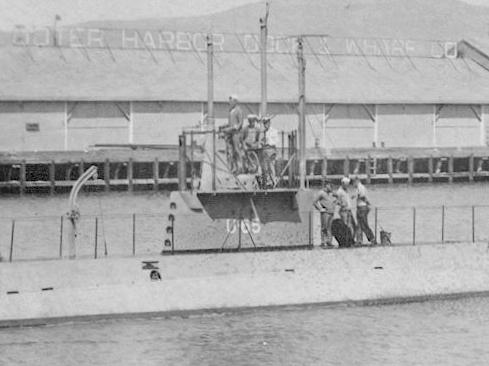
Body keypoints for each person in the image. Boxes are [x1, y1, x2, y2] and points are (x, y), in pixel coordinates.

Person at [352, 177, 376, 245]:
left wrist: (355, 196)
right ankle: (359, 240)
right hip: (359, 207)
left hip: (363, 207)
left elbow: (362, 196)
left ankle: (372, 238)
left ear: (356, 181)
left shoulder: (361, 187)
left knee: (364, 224)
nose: (353, 184)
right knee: (359, 225)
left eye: (353, 182)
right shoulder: (357, 188)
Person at [313, 181, 336, 248]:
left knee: (330, 228)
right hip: (325, 213)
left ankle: (329, 241)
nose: (331, 187)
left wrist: (335, 203)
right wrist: (320, 209)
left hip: (331, 212)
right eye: (330, 185)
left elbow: (337, 197)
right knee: (324, 227)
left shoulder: (331, 193)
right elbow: (314, 201)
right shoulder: (321, 193)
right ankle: (323, 242)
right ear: (326, 185)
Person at [226, 95, 244, 173]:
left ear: (235, 101)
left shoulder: (239, 110)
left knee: (237, 150)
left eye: (231, 101)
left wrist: (233, 128)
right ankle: (232, 167)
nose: (230, 102)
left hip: (236, 134)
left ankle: (240, 167)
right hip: (230, 133)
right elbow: (230, 123)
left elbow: (240, 123)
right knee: (230, 151)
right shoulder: (231, 111)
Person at [335, 176, 356, 241]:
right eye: (346, 184)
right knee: (345, 226)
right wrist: (341, 204)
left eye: (348, 184)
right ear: (343, 183)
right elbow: (337, 201)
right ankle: (347, 239)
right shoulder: (339, 191)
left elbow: (347, 199)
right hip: (343, 211)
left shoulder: (346, 191)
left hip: (349, 210)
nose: (348, 185)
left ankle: (352, 238)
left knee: (352, 225)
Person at [260, 116, 278, 186]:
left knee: (271, 166)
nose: (265, 125)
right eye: (264, 123)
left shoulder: (273, 131)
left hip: (271, 149)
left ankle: (273, 182)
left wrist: (268, 142)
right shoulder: (264, 132)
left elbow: (276, 141)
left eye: (266, 123)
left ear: (269, 123)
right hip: (265, 150)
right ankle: (266, 182)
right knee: (265, 167)